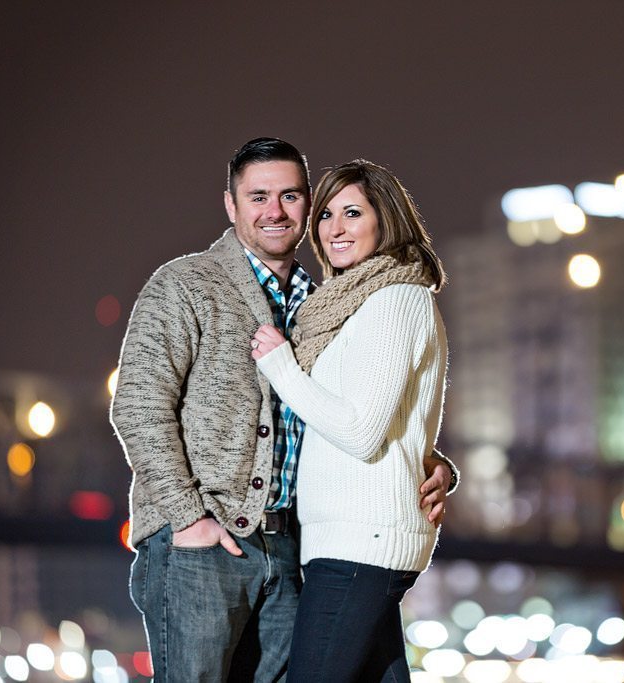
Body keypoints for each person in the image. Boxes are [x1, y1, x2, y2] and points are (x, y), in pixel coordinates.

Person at [110, 139, 455, 682]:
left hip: (292, 545)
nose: (275, 211)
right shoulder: (185, 284)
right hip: (206, 545)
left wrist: (429, 460)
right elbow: (138, 405)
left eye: (290, 196)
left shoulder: (324, 302)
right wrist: (189, 517)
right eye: (258, 197)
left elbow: (363, 405)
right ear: (231, 205)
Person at [250, 159, 448, 682]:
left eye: (353, 213)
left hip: (363, 543)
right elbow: (395, 414)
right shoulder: (350, 305)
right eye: (326, 215)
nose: (334, 229)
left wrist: (281, 368)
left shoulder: (396, 300)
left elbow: (362, 432)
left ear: (385, 219)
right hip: (349, 540)